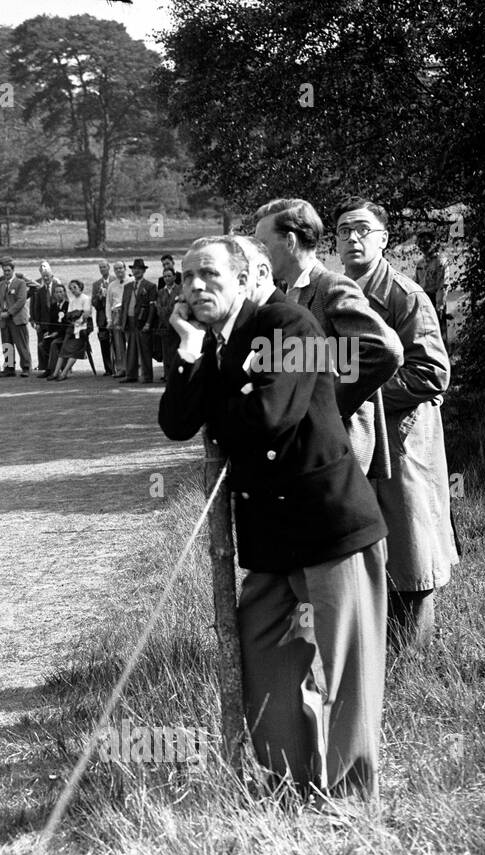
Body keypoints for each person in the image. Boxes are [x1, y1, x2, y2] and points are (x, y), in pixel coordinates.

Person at [159, 235, 388, 804]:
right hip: (269, 542)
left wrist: (215, 381)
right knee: (264, 663)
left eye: (209, 274)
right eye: (186, 278)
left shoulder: (291, 325)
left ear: (244, 279)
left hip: (329, 526)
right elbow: (177, 423)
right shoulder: (209, 344)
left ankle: (347, 798)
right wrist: (190, 356)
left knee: (344, 669)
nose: (195, 287)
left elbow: (266, 419)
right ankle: (291, 787)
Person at [333, 196, 459, 651]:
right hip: (357, 442)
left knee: (411, 547)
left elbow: (431, 373)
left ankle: (413, 660)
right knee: (360, 547)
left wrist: (357, 396)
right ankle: (369, 652)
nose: (353, 238)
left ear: (384, 239)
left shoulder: (405, 295)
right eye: (344, 230)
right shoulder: (335, 295)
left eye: (363, 229)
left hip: (403, 440)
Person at [253, 198, 402, 481]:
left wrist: (328, 405)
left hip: (337, 449)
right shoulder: (285, 294)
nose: (257, 254)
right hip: (304, 450)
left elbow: (385, 350)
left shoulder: (331, 286)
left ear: (290, 242)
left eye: (263, 244)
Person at [121, 258, 158, 383]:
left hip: (142, 322)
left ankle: (147, 376)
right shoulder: (127, 286)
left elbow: (152, 307)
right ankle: (131, 375)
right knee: (131, 349)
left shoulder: (150, 286)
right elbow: (124, 305)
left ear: (143, 271)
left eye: (139, 269)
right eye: (134, 269)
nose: (136, 271)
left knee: (145, 350)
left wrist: (148, 323)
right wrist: (122, 321)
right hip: (130, 321)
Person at [0, 256, 32, 376]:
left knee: (22, 345)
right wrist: (0, 312)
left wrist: (9, 313)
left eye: (8, 271)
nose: (6, 273)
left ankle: (26, 367)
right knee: (7, 344)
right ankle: (9, 368)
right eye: (4, 271)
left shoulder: (20, 283)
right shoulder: (0, 285)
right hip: (4, 320)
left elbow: (21, 300)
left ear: (13, 270)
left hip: (17, 318)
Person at [50, 279, 91, 380]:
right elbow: (68, 315)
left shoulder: (85, 299)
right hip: (72, 327)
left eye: (75, 288)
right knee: (63, 350)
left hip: (82, 329)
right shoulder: (72, 301)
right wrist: (74, 318)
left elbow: (86, 314)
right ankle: (55, 373)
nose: (73, 290)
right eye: (71, 288)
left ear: (80, 287)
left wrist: (77, 318)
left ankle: (64, 373)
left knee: (74, 352)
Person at [414, 233, 449, 344]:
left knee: (438, 333)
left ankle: (443, 359)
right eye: (419, 243)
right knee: (424, 333)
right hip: (423, 300)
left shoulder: (440, 261)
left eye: (425, 243)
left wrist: (439, 305)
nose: (422, 246)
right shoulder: (420, 263)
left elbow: (443, 284)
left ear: (433, 243)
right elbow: (415, 283)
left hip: (436, 299)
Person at [90, 261, 113, 377]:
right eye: (100, 267)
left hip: (114, 317)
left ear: (108, 268)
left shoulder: (115, 280)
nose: (102, 269)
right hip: (102, 318)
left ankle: (119, 367)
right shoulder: (96, 284)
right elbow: (93, 303)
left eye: (104, 267)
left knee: (117, 343)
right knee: (104, 343)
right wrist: (99, 298)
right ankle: (108, 368)